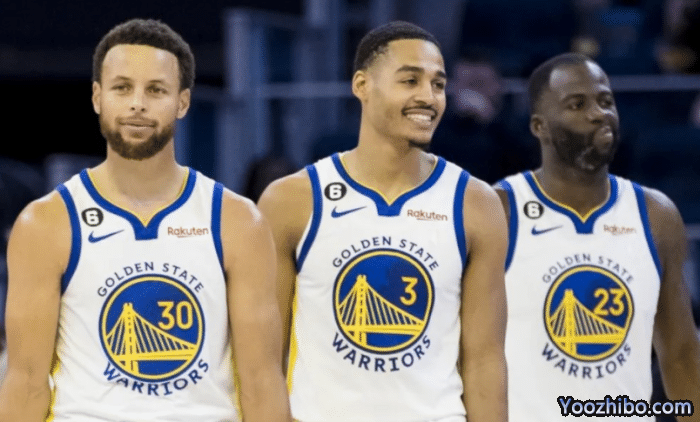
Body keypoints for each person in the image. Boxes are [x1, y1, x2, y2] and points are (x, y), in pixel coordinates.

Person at [0, 18, 291, 422]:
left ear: (183, 102)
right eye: (122, 88)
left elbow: (261, 382)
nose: (137, 103)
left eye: (156, 90)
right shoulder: (45, 223)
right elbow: (26, 383)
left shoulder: (237, 221)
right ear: (97, 97)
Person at [257, 21, 508, 422]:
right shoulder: (291, 200)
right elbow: (264, 361)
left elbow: (484, 363)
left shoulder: (476, 204)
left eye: (438, 85)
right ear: (362, 85)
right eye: (410, 81)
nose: (427, 97)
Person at [496, 52, 700, 421]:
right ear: (540, 126)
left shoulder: (656, 215)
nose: (599, 113)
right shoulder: (500, 209)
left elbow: (681, 355)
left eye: (606, 101)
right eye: (578, 104)